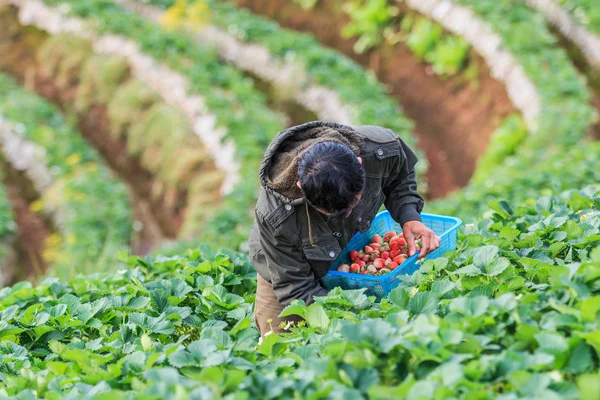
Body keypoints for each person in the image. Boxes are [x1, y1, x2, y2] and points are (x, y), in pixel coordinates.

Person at [248, 121, 440, 336]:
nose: (347, 214)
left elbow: (400, 175)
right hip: (287, 270)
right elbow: (296, 288)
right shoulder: (275, 217)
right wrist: (346, 315)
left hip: (346, 251)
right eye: (330, 212)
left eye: (353, 204)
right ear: (302, 187)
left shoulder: (379, 149)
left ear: (360, 164)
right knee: (281, 339)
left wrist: (409, 216)